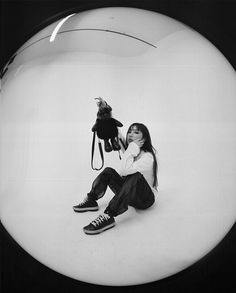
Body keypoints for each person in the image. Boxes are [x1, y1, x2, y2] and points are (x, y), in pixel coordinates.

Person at [73, 123, 158, 235]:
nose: (130, 135)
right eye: (130, 132)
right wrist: (104, 111)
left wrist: (131, 148)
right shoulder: (131, 150)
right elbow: (116, 132)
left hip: (145, 199)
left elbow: (124, 171)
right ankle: (91, 200)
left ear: (144, 138)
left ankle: (108, 215)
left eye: (136, 132)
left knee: (135, 175)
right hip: (129, 195)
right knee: (108, 171)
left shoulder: (147, 157)